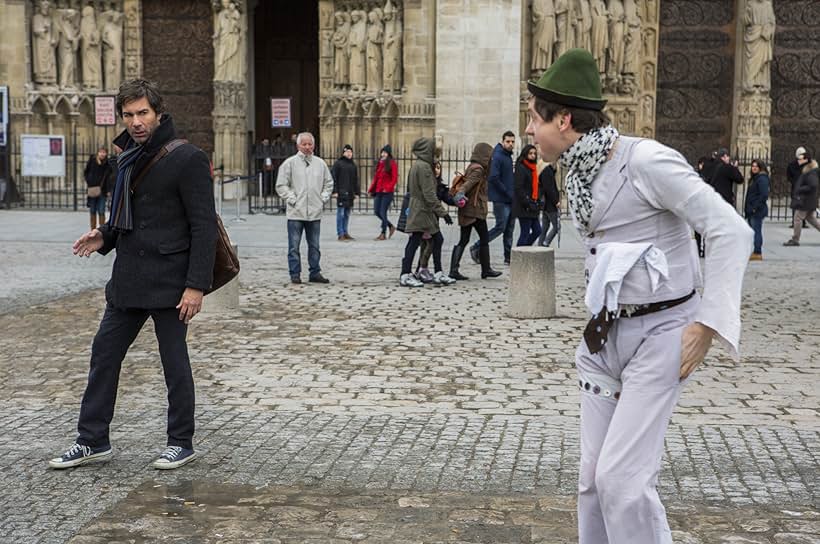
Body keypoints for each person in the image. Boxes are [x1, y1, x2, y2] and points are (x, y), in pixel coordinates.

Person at [525, 49, 752, 544]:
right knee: (591, 483)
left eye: (532, 116)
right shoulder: (579, 171)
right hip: (604, 338)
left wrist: (708, 325)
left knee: (623, 483)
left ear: (563, 120)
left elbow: (731, 231)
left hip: (662, 336)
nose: (527, 128)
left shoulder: (645, 160)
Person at [49, 79, 217, 471]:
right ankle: (92, 439)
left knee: (174, 363)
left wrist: (196, 285)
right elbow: (126, 218)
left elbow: (203, 226)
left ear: (158, 113)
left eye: (143, 113)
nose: (136, 121)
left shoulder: (188, 158)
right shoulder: (125, 157)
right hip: (128, 279)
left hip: (172, 281)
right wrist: (103, 234)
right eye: (129, 114)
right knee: (104, 355)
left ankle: (181, 441)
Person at [276, 132, 333, 284]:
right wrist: (291, 199)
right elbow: (281, 184)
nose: (307, 147)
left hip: (314, 212)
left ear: (314, 145)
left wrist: (322, 198)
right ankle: (295, 273)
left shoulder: (320, 164)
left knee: (314, 246)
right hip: (296, 212)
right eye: (304, 144)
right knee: (293, 246)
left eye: (310, 144)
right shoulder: (290, 163)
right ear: (298, 145)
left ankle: (315, 272)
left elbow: (329, 183)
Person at [399, 138, 456, 287]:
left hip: (422, 209)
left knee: (436, 239)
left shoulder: (417, 165)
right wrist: (443, 213)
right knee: (415, 241)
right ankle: (405, 275)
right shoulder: (424, 167)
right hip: (422, 210)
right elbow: (429, 194)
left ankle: (437, 273)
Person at [449, 143, 503, 280]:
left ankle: (456, 269)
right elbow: (468, 185)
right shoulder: (478, 170)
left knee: (465, 239)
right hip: (474, 210)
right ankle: (485, 269)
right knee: (482, 239)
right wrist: (460, 193)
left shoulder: (473, 166)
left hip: (470, 210)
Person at [416, 160, 465, 282]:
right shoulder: (425, 185)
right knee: (434, 241)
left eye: (439, 168)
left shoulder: (439, 186)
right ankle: (428, 270)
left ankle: (421, 270)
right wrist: (444, 214)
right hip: (424, 219)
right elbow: (431, 202)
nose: (437, 170)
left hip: (433, 220)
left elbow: (446, 198)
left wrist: (456, 201)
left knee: (427, 244)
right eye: (434, 168)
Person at [470, 131, 515, 265]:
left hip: (510, 199)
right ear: (502, 141)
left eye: (512, 142)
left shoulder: (507, 156)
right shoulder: (498, 155)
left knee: (509, 229)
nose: (510, 144)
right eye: (508, 141)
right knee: (500, 227)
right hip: (501, 199)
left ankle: (508, 257)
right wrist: (507, 192)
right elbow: (493, 177)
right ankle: (476, 246)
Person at [783, 150, 820, 246]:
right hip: (809, 200)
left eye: (800, 159)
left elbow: (813, 185)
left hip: (806, 200)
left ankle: (795, 239)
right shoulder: (808, 169)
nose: (798, 160)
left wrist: (800, 189)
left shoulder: (811, 172)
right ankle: (795, 239)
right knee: (811, 219)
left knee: (797, 217)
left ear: (806, 160)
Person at [512, 144, 544, 246]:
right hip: (524, 206)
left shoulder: (533, 168)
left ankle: (525, 249)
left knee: (537, 230)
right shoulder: (521, 167)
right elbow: (519, 188)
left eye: (534, 153)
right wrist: (527, 202)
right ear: (525, 154)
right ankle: (519, 254)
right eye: (530, 153)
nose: (533, 155)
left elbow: (537, 186)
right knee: (525, 232)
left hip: (533, 205)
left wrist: (537, 200)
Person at [369, 144, 398, 240]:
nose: (383, 154)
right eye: (382, 152)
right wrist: (371, 189)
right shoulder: (380, 163)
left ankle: (383, 233)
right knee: (377, 211)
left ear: (389, 154)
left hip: (387, 192)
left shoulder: (392, 164)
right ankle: (391, 226)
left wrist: (388, 188)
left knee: (382, 212)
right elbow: (376, 178)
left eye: (385, 152)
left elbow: (394, 179)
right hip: (379, 191)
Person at [331, 144, 360, 241]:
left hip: (350, 193)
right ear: (343, 153)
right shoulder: (338, 164)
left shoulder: (353, 165)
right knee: (341, 213)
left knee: (347, 214)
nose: (349, 154)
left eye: (350, 152)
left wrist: (357, 192)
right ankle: (340, 233)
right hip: (341, 192)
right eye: (347, 152)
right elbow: (333, 178)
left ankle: (345, 232)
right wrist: (334, 191)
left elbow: (356, 179)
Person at [744, 159, 770, 260]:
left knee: (756, 230)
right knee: (754, 231)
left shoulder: (762, 179)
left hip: (757, 209)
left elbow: (764, 195)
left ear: (760, 167)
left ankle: (757, 252)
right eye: (753, 166)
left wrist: (755, 207)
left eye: (756, 166)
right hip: (752, 209)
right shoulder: (755, 178)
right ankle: (755, 250)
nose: (754, 168)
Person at [84, 147, 113, 230]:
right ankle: (92, 230)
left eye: (104, 152)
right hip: (92, 189)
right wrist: (89, 181)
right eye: (101, 152)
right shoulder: (92, 161)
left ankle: (101, 230)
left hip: (102, 191)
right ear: (98, 153)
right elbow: (86, 172)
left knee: (101, 210)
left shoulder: (107, 164)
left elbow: (109, 178)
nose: (102, 154)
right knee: (92, 210)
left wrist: (108, 190)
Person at [538, 161, 561, 247]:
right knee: (556, 227)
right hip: (550, 204)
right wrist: (556, 201)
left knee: (545, 227)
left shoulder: (548, 170)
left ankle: (540, 246)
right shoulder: (547, 171)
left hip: (546, 204)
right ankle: (545, 243)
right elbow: (549, 188)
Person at [787, 146, 807, 229]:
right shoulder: (792, 165)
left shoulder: (806, 164)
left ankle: (802, 221)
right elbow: (789, 176)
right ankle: (796, 222)